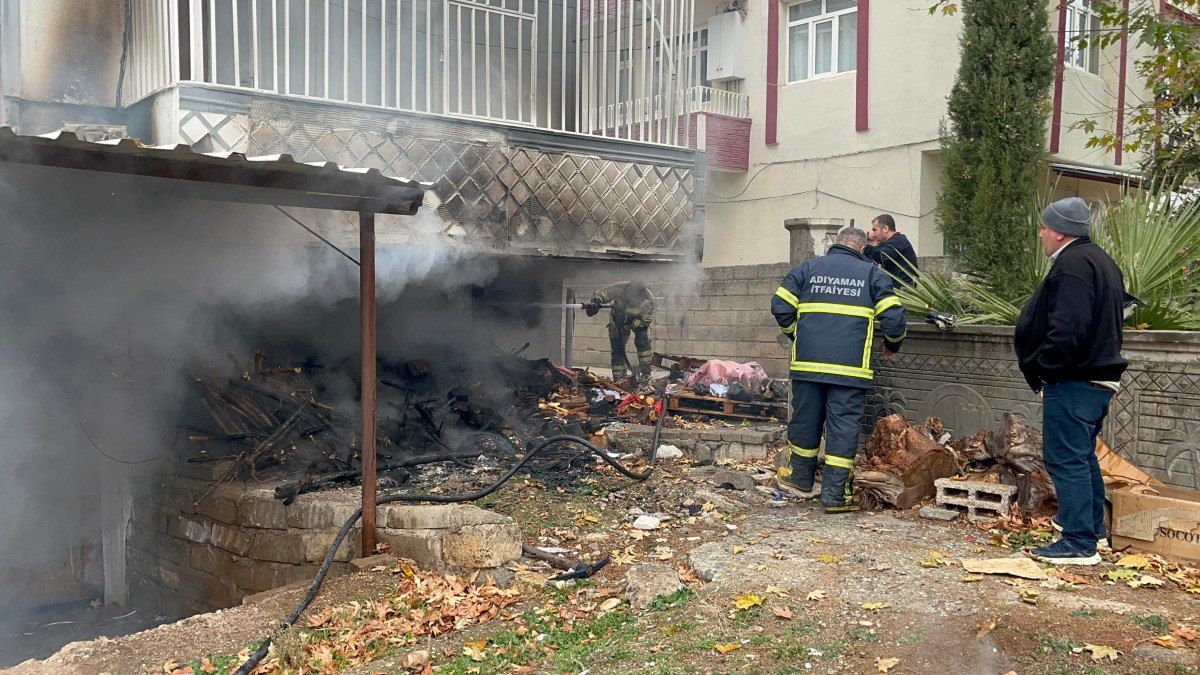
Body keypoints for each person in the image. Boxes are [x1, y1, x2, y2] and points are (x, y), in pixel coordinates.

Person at [1015, 197, 1128, 566]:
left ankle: (1079, 543)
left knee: (1065, 457)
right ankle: (1093, 531)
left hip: (1075, 379)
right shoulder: (1100, 260)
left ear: (1060, 232)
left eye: (1045, 228)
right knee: (1080, 455)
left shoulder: (1073, 264)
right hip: (1095, 378)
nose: (1041, 235)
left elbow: (1069, 326)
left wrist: (1047, 367)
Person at [771, 228, 907, 513]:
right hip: (850, 370)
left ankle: (800, 478)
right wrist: (892, 344)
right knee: (843, 427)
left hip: (807, 366)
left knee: (805, 421)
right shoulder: (872, 274)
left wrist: (796, 334)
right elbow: (894, 318)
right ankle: (835, 496)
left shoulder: (808, 268)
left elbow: (780, 305)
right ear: (862, 248)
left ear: (836, 244)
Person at [586, 280, 655, 382]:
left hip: (638, 322)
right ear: (628, 290)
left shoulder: (649, 300)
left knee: (642, 341)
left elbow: (645, 321)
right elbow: (602, 294)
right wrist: (595, 302)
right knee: (617, 349)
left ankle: (646, 374)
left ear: (642, 296)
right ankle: (619, 378)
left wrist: (628, 320)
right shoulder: (619, 288)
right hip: (616, 321)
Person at [863, 214, 918, 287]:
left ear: (885, 228)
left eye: (875, 230)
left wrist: (864, 247)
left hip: (903, 290)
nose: (874, 233)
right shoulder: (889, 242)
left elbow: (881, 255)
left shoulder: (899, 241)